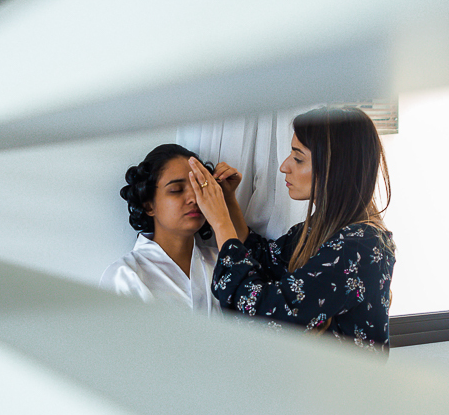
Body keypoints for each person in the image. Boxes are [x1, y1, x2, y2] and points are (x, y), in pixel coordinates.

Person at [188, 107, 395, 351]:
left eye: (298, 158)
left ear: (334, 167)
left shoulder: (360, 246)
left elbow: (264, 313)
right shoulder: (323, 228)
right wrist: (230, 201)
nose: (284, 166)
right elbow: (264, 257)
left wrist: (220, 221)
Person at [100, 144, 242, 315]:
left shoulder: (223, 262)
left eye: (199, 188)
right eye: (176, 190)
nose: (193, 198)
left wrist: (228, 200)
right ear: (148, 204)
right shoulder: (125, 275)